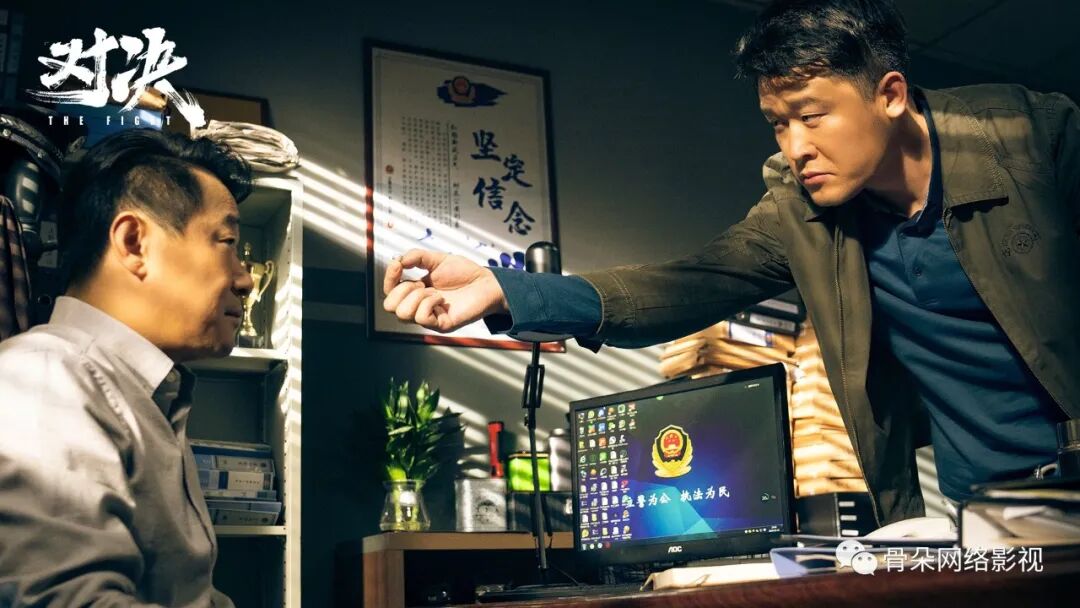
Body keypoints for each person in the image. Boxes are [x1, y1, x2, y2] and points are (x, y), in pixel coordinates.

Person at [384, 0, 1080, 527]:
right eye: (778, 122)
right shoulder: (800, 209)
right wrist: (507, 290)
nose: (795, 146)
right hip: (985, 509)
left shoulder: (1036, 139)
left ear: (890, 95)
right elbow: (688, 284)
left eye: (812, 115)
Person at [0, 129, 253, 606]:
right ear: (134, 243)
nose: (244, 279)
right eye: (227, 241)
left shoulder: (143, 396)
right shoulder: (45, 379)